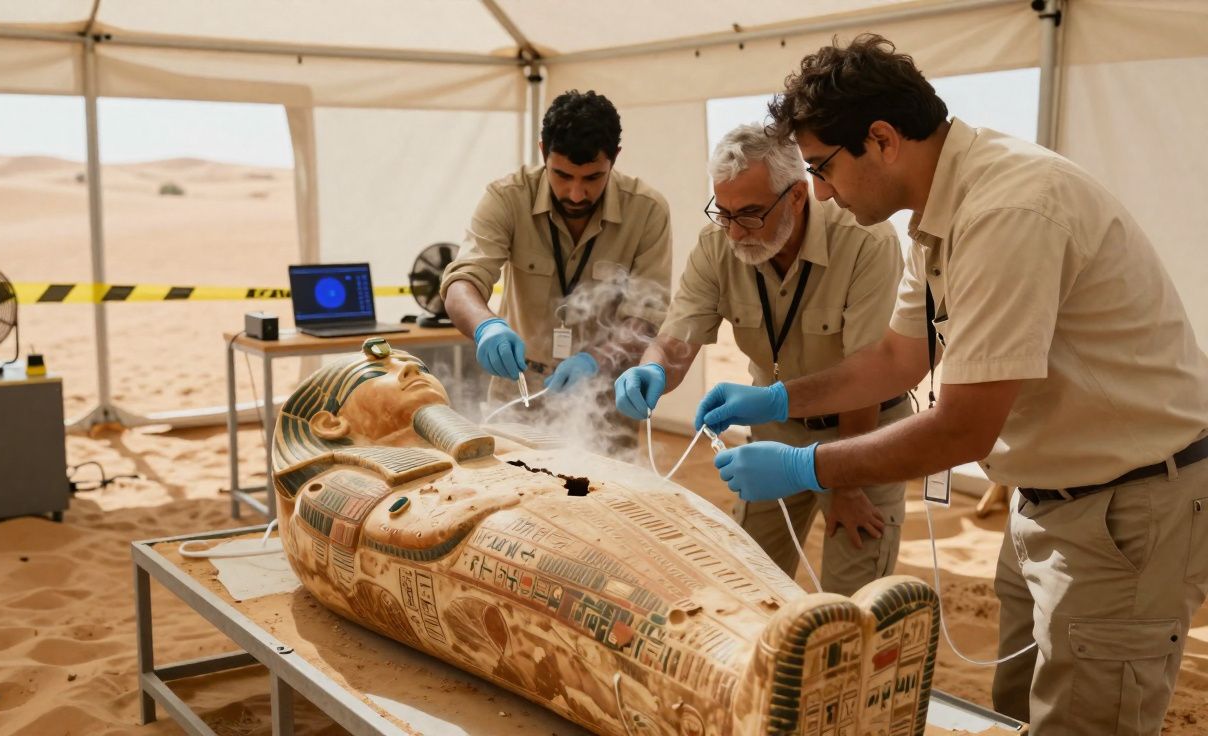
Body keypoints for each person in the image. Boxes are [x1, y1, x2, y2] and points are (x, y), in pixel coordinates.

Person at [695, 34, 1208, 733]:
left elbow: (965, 428)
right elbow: (895, 361)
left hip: (1127, 508)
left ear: (880, 140)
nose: (821, 192)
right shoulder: (939, 214)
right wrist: (782, 400)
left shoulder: (1006, 211)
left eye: (822, 167)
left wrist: (805, 464)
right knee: (1020, 705)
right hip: (1056, 496)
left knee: (1088, 720)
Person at [270, 337, 942, 736]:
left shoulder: (493, 435)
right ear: (330, 426)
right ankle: (743, 692)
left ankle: (799, 634)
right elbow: (388, 536)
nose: (409, 367)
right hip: (501, 535)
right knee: (623, 601)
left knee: (688, 534)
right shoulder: (332, 484)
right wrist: (489, 492)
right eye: (380, 374)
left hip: (556, 502)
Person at [615, 123, 909, 596]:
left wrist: (848, 485)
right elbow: (677, 337)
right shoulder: (717, 246)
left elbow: (869, 374)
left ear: (796, 196)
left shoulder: (865, 241)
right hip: (775, 436)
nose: (734, 231)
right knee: (745, 587)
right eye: (723, 212)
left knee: (852, 606)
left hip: (862, 434)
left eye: (750, 214)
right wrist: (651, 368)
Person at [441, 90, 671, 452]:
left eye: (593, 178)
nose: (576, 194)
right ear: (542, 151)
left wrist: (595, 361)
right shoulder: (506, 198)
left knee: (600, 501)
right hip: (518, 392)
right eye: (562, 175)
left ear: (615, 159)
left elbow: (645, 317)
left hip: (602, 401)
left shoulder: (647, 211)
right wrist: (486, 326)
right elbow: (462, 283)